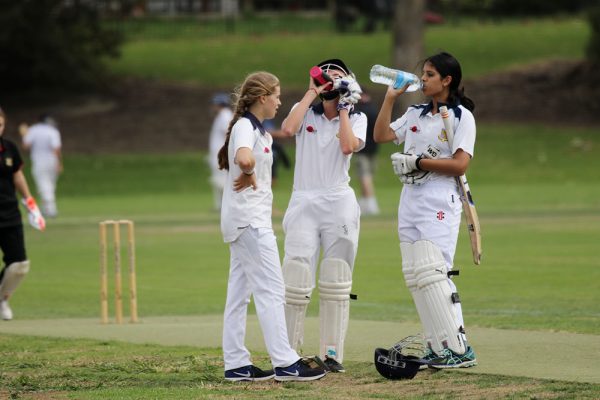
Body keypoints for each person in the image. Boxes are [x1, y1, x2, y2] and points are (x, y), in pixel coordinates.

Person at [217, 71, 327, 382]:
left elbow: (284, 132)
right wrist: (249, 170)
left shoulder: (258, 130)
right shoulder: (243, 127)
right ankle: (286, 362)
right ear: (262, 98)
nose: (280, 101)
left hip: (247, 221)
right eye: (276, 95)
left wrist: (311, 94)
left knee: (239, 294)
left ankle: (236, 363)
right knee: (271, 290)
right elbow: (243, 157)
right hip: (248, 223)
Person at [373, 52, 477, 368]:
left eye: (430, 74)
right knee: (415, 276)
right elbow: (381, 136)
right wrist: (390, 98)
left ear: (447, 80)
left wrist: (419, 162)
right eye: (424, 73)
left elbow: (460, 163)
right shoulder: (416, 113)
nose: (424, 79)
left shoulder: (462, 117)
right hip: (410, 198)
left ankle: (458, 348)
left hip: (439, 198)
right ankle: (435, 345)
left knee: (435, 272)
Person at [279, 59, 367, 373]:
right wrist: (311, 93)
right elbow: (287, 129)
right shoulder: (304, 110)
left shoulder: (357, 118)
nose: (331, 79)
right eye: (325, 74)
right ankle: (287, 354)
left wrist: (344, 108)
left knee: (336, 277)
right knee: (296, 275)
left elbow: (347, 147)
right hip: (304, 198)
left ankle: (332, 354)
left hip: (337, 199)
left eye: (338, 75)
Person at [0, 106, 46, 320]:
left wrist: (31, 203)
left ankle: (2, 300)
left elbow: (17, 176)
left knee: (19, 264)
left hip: (9, 214)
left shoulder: (9, 148)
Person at [21, 114, 63, 218]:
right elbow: (56, 148)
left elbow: (26, 146)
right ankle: (48, 209)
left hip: (39, 162)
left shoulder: (32, 130)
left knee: (44, 185)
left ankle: (50, 210)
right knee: (49, 185)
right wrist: (59, 163)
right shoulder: (53, 131)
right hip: (52, 161)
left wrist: (24, 135)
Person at [353, 90, 380, 216]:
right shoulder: (374, 109)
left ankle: (371, 203)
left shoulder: (360, 111)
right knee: (368, 175)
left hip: (362, 149)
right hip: (374, 149)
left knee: (364, 176)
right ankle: (364, 202)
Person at [207, 93, 233, 211]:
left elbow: (228, 134)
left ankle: (225, 206)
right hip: (217, 154)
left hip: (220, 155)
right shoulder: (222, 115)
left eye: (214, 104)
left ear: (219, 104)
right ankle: (220, 206)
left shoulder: (225, 115)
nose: (213, 107)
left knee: (222, 181)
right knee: (218, 180)